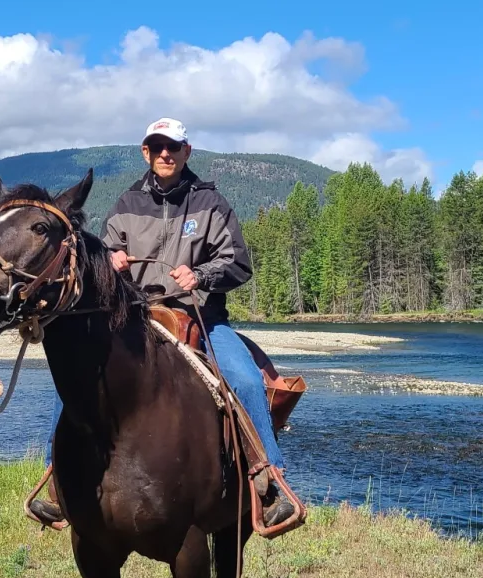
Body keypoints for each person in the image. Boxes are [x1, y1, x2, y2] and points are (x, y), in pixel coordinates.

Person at [30, 117, 297, 529]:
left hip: (200, 318)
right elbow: (99, 263)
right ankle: (55, 481)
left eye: (172, 147)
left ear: (187, 151)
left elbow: (239, 263)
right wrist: (110, 261)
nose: (165, 155)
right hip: (136, 317)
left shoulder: (211, 203)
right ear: (146, 153)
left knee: (243, 379)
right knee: (74, 380)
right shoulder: (126, 204)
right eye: (157, 148)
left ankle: (270, 481)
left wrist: (202, 275)